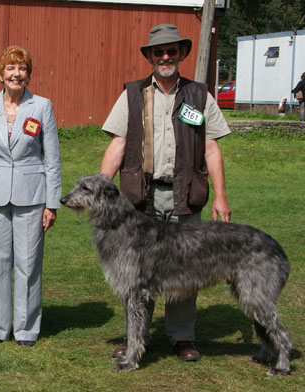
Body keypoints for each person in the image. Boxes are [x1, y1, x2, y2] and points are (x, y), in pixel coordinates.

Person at [99, 24, 231, 362]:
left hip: (186, 195)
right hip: (141, 198)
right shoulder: (132, 93)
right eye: (159, 52)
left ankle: (182, 337)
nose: (166, 57)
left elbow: (212, 148)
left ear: (182, 53)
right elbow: (117, 143)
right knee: (136, 273)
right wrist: (101, 185)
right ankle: (135, 340)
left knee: (185, 269)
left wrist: (220, 197)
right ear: (150, 57)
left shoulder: (200, 95)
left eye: (172, 50)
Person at [0, 46, 62, 347]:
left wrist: (51, 203)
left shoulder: (42, 106)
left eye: (21, 69)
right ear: (0, 74)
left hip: (32, 196)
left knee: (29, 263)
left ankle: (26, 330)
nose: (16, 74)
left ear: (28, 74)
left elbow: (53, 159)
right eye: (10, 68)